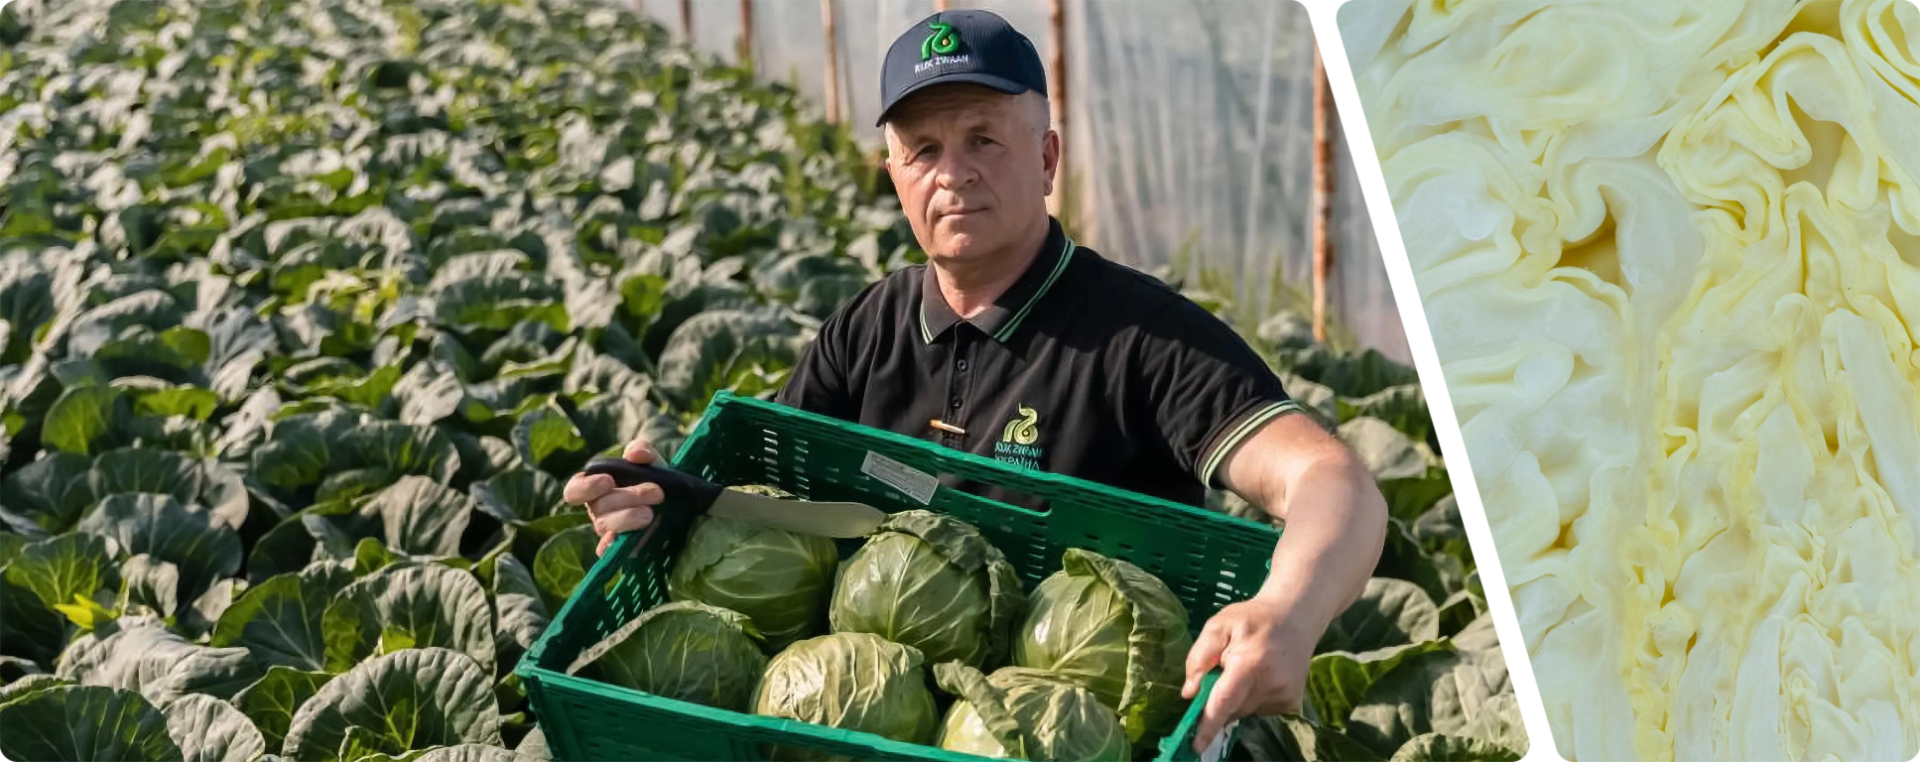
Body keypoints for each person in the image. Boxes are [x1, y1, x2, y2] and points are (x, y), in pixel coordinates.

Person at [563, 9, 1387, 753]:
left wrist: (1288, 613)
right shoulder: (864, 331)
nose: (952, 173)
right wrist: (670, 505)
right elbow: (773, 503)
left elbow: (1333, 483)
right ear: (894, 175)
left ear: (1047, 157)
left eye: (984, 139)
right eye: (923, 149)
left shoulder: (1144, 340)